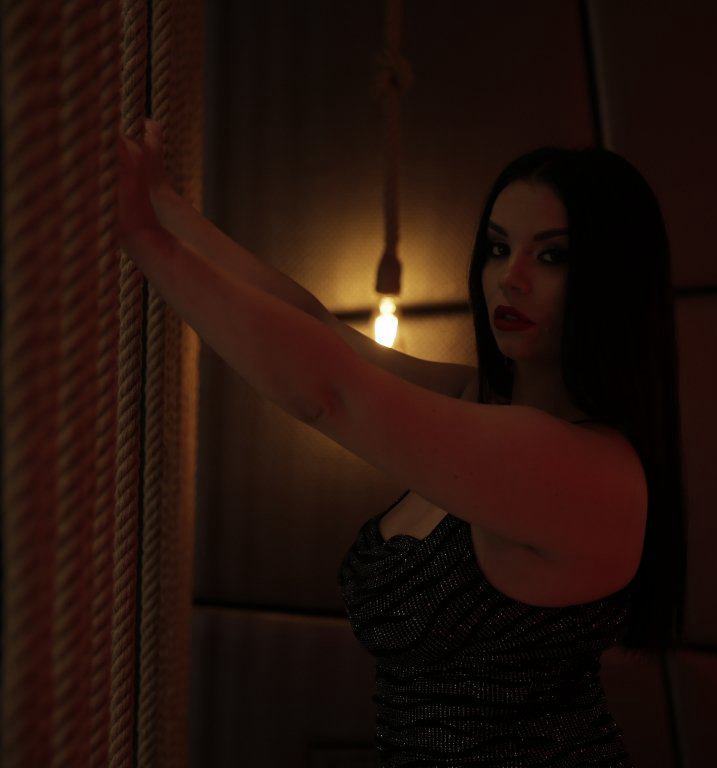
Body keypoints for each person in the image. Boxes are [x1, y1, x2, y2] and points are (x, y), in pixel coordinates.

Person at [118, 121, 685, 766]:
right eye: (498, 248)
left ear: (615, 281)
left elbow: (329, 393)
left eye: (552, 256)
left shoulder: (585, 470)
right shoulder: (478, 403)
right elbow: (319, 329)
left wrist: (143, 239)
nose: (511, 278)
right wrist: (164, 208)